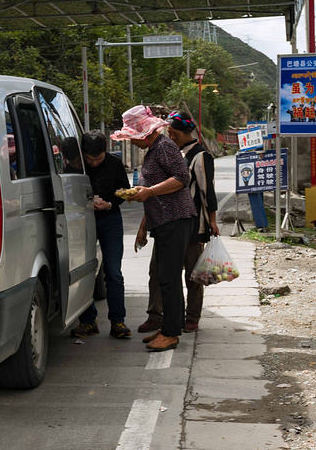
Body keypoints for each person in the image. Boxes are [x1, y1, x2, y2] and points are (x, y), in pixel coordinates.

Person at [112, 105, 195, 352]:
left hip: (175, 219)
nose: (132, 142)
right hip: (163, 221)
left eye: (133, 136)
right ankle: (170, 326)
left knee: (168, 279)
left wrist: (149, 191)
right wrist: (143, 222)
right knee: (165, 277)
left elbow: (182, 178)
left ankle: (170, 334)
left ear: (143, 132)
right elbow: (153, 190)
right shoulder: (153, 149)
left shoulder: (164, 147)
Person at [141, 111, 219, 336]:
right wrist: (144, 225)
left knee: (192, 273)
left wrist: (212, 220)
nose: (171, 137)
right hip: (166, 220)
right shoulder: (168, 150)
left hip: (193, 223)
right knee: (158, 271)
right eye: (169, 133)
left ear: (187, 133)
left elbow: (207, 191)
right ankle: (155, 315)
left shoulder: (200, 155)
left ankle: (191, 316)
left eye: (174, 134)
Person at [70, 132, 131, 339]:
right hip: (82, 221)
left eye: (99, 158)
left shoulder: (114, 163)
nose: (94, 162)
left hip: (110, 219)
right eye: (90, 159)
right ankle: (88, 321)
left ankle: (118, 321)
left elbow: (125, 191)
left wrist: (110, 204)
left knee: (113, 272)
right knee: (84, 269)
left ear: (106, 151)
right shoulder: (75, 166)